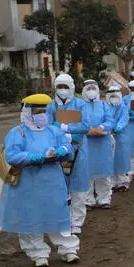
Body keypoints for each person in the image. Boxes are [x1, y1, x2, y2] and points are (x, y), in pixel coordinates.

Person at [0, 94, 80, 267]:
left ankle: (68, 249)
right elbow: (12, 156)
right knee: (31, 216)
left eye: (44, 110)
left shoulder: (54, 130)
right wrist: (35, 157)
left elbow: (67, 147)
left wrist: (62, 151)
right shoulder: (17, 133)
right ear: (27, 111)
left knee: (59, 213)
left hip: (53, 181)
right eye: (37, 111)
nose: (41, 114)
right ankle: (38, 253)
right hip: (28, 182)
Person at [46, 73, 91, 235]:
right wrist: (59, 136)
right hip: (59, 151)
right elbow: (47, 126)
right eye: (59, 86)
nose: (62, 90)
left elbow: (85, 125)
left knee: (78, 185)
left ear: (72, 87)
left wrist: (67, 130)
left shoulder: (80, 104)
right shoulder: (51, 106)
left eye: (65, 86)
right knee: (60, 186)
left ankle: (77, 221)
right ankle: (63, 218)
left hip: (78, 149)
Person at [82, 80, 115, 210]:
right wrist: (87, 129)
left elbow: (110, 120)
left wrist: (101, 127)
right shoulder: (80, 105)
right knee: (86, 173)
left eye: (93, 88)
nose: (91, 91)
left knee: (104, 172)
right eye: (88, 89)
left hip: (102, 142)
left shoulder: (104, 105)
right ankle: (88, 200)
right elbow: (77, 121)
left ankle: (104, 199)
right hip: (86, 143)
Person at [106, 86, 131, 192]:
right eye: (111, 95)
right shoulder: (105, 107)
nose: (114, 97)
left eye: (115, 95)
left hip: (121, 137)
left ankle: (122, 182)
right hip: (108, 136)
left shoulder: (123, 107)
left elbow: (124, 118)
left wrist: (117, 128)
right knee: (110, 159)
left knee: (121, 159)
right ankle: (111, 183)